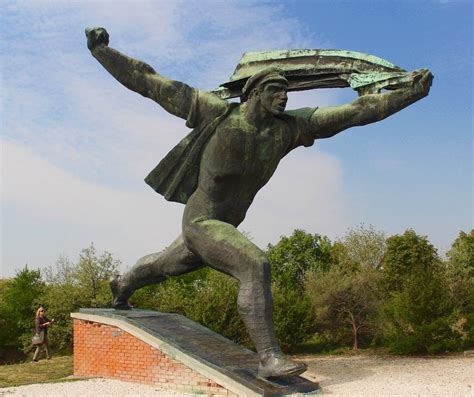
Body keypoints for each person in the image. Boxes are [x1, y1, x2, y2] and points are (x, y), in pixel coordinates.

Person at [85, 27, 432, 378]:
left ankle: (122, 284)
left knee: (163, 266)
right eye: (274, 91)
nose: (283, 98)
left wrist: (409, 94)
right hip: (201, 222)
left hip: (225, 226)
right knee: (254, 265)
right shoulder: (216, 114)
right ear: (252, 93)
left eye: (285, 91)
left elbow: (358, 110)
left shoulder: (289, 129)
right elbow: (149, 82)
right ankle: (269, 358)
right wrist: (102, 52)